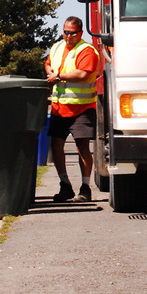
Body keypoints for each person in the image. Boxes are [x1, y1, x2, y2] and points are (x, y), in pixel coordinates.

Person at [45, 16, 100, 202]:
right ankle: (65, 186)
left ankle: (85, 188)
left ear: (80, 33)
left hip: (81, 109)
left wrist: (58, 76)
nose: (68, 36)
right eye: (65, 32)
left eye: (72, 33)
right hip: (59, 108)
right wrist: (50, 74)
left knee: (82, 147)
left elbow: (83, 74)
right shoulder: (57, 47)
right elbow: (48, 63)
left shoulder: (87, 50)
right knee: (56, 146)